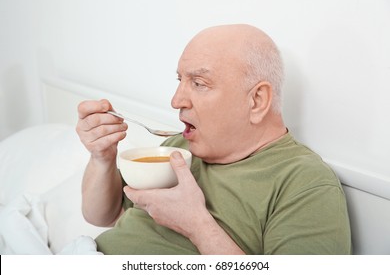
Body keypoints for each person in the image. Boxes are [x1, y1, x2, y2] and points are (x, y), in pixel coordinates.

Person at [76, 24, 352, 254]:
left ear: (257, 100)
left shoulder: (305, 182)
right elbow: (104, 216)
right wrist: (102, 158)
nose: (176, 101)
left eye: (199, 83)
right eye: (180, 81)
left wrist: (196, 225)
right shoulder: (179, 148)